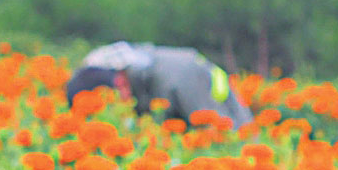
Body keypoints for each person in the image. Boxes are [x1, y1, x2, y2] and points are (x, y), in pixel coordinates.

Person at [65, 43, 249, 128]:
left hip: (231, 123)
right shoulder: (130, 69)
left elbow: (216, 130)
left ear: (120, 83)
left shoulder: (176, 79)